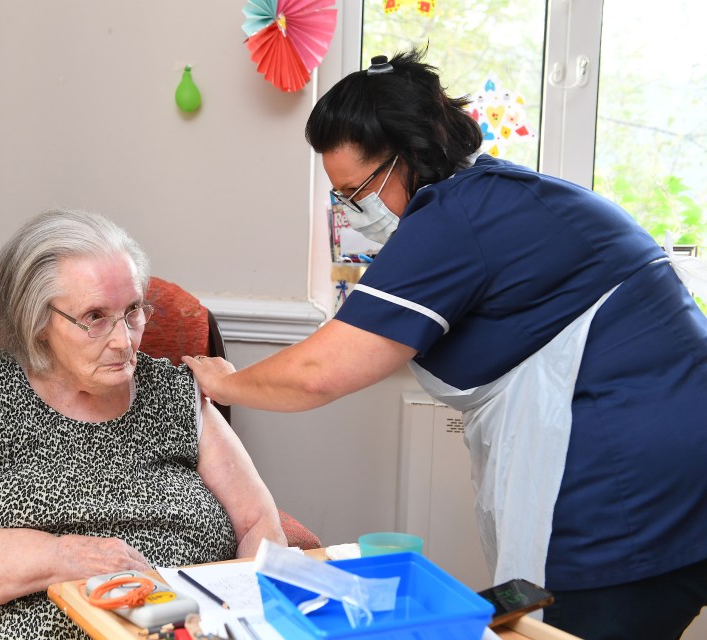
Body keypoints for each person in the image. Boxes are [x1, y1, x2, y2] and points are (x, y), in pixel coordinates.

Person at [184, 50, 707, 640]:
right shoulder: (502, 196)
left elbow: (319, 372)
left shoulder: (455, 217)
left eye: (359, 191)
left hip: (631, 487)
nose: (355, 212)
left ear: (408, 156)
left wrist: (221, 381)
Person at [0, 208, 286, 640]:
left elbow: (259, 522)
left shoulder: (174, 392)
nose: (124, 341)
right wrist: (62, 556)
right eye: (95, 317)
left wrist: (244, 616)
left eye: (133, 312)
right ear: (35, 323)